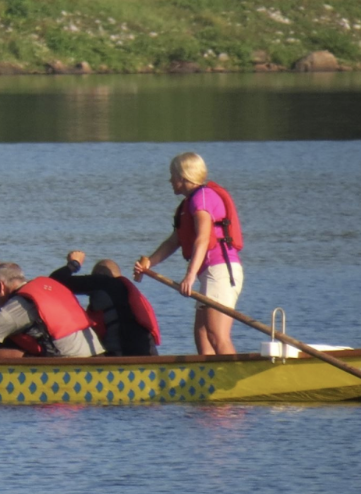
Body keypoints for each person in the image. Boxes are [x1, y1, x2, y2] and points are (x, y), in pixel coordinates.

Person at [135, 151, 244, 355]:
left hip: (220, 270)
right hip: (209, 272)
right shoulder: (189, 203)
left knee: (216, 334)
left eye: (172, 175)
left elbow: (203, 238)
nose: (170, 180)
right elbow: (174, 241)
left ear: (183, 176)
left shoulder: (202, 198)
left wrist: (190, 275)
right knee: (202, 335)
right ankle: (212, 375)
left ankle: (237, 372)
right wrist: (149, 262)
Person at [51, 251, 160, 356]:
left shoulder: (103, 282)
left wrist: (74, 264)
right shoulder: (126, 291)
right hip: (148, 354)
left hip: (122, 356)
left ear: (100, 274)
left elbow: (54, 282)